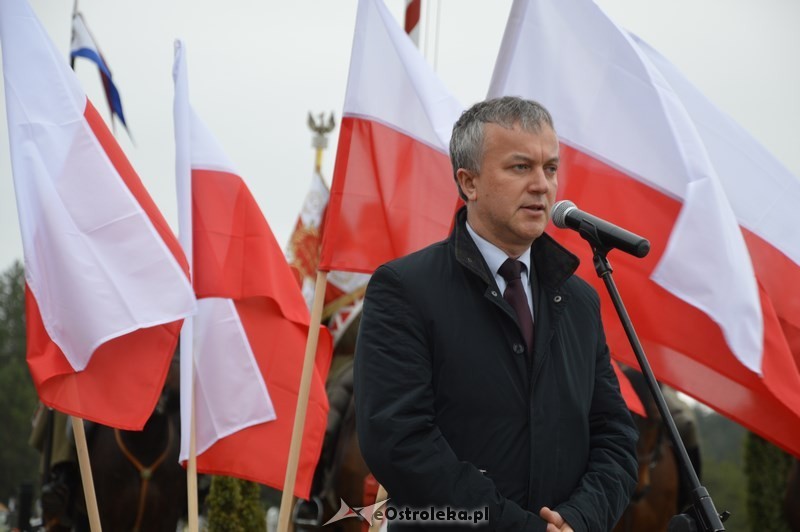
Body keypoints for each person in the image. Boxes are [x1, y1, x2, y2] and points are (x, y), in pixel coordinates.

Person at [353, 96, 638, 531]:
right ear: (469, 183)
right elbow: (400, 441)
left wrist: (579, 520)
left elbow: (614, 437)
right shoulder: (405, 289)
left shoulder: (580, 300)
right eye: (520, 167)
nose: (542, 185)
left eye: (551, 168)